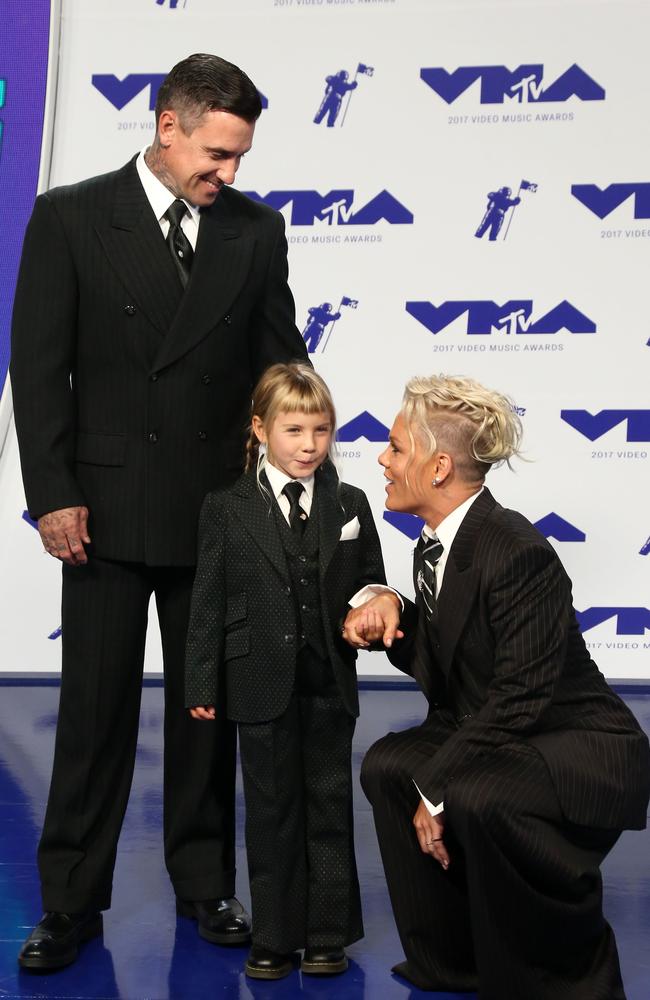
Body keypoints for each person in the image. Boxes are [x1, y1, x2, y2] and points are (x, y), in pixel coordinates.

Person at [10, 52, 308, 970]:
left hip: (213, 510)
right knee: (91, 711)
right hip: (97, 508)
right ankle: (69, 902)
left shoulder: (255, 230)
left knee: (202, 710)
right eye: (216, 154)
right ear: (167, 125)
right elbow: (39, 366)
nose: (229, 175)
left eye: (240, 158)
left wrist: (294, 472)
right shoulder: (69, 217)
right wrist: (52, 493)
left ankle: (203, 881)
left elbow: (276, 362)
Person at [343, 374, 650, 998]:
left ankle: (555, 979)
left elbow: (518, 697)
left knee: (476, 794)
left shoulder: (515, 551)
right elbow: (459, 669)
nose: (382, 457)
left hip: (579, 743)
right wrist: (396, 623)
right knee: (388, 765)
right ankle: (455, 961)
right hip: (510, 730)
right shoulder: (439, 542)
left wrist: (439, 786)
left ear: (438, 468)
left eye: (397, 447)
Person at [185, 363, 386, 980]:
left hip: (327, 679)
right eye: (293, 429)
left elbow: (368, 581)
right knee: (271, 813)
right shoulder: (226, 508)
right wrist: (200, 680)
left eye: (321, 431)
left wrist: (375, 604)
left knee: (328, 806)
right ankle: (272, 936)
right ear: (260, 429)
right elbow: (208, 601)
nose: (308, 445)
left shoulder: (348, 503)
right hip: (257, 678)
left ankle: (327, 934)